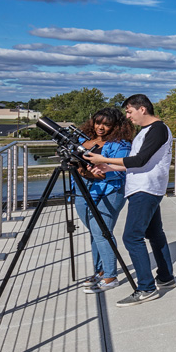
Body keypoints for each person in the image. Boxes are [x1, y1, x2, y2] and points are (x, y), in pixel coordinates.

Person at [84, 94, 176, 307]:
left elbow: (140, 160)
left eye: (129, 111)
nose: (127, 116)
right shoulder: (146, 132)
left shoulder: (158, 129)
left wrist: (103, 158)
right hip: (144, 187)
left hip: (146, 189)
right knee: (154, 233)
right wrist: (109, 167)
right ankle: (165, 277)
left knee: (131, 237)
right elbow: (136, 163)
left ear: (142, 109)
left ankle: (146, 288)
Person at [74, 108, 132, 294]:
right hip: (83, 188)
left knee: (102, 231)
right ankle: (99, 270)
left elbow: (120, 167)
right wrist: (81, 170)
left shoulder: (121, 144)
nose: (101, 127)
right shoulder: (84, 139)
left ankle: (110, 275)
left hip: (110, 189)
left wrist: (92, 172)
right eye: (98, 122)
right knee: (93, 230)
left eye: (106, 124)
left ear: (115, 125)